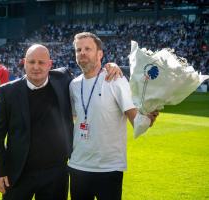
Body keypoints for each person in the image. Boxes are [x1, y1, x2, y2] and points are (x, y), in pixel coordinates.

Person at [0, 44, 122, 200]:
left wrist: (111, 66)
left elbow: (90, 76)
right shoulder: (7, 91)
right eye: (31, 62)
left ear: (50, 64)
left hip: (56, 173)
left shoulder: (63, 79)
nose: (36, 67)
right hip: (18, 172)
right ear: (24, 62)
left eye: (41, 62)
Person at [68, 32, 159, 200]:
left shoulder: (115, 80)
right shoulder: (74, 85)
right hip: (78, 166)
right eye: (78, 49)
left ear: (100, 54)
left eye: (88, 49)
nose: (82, 53)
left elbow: (136, 122)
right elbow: (76, 118)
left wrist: (148, 117)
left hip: (108, 169)